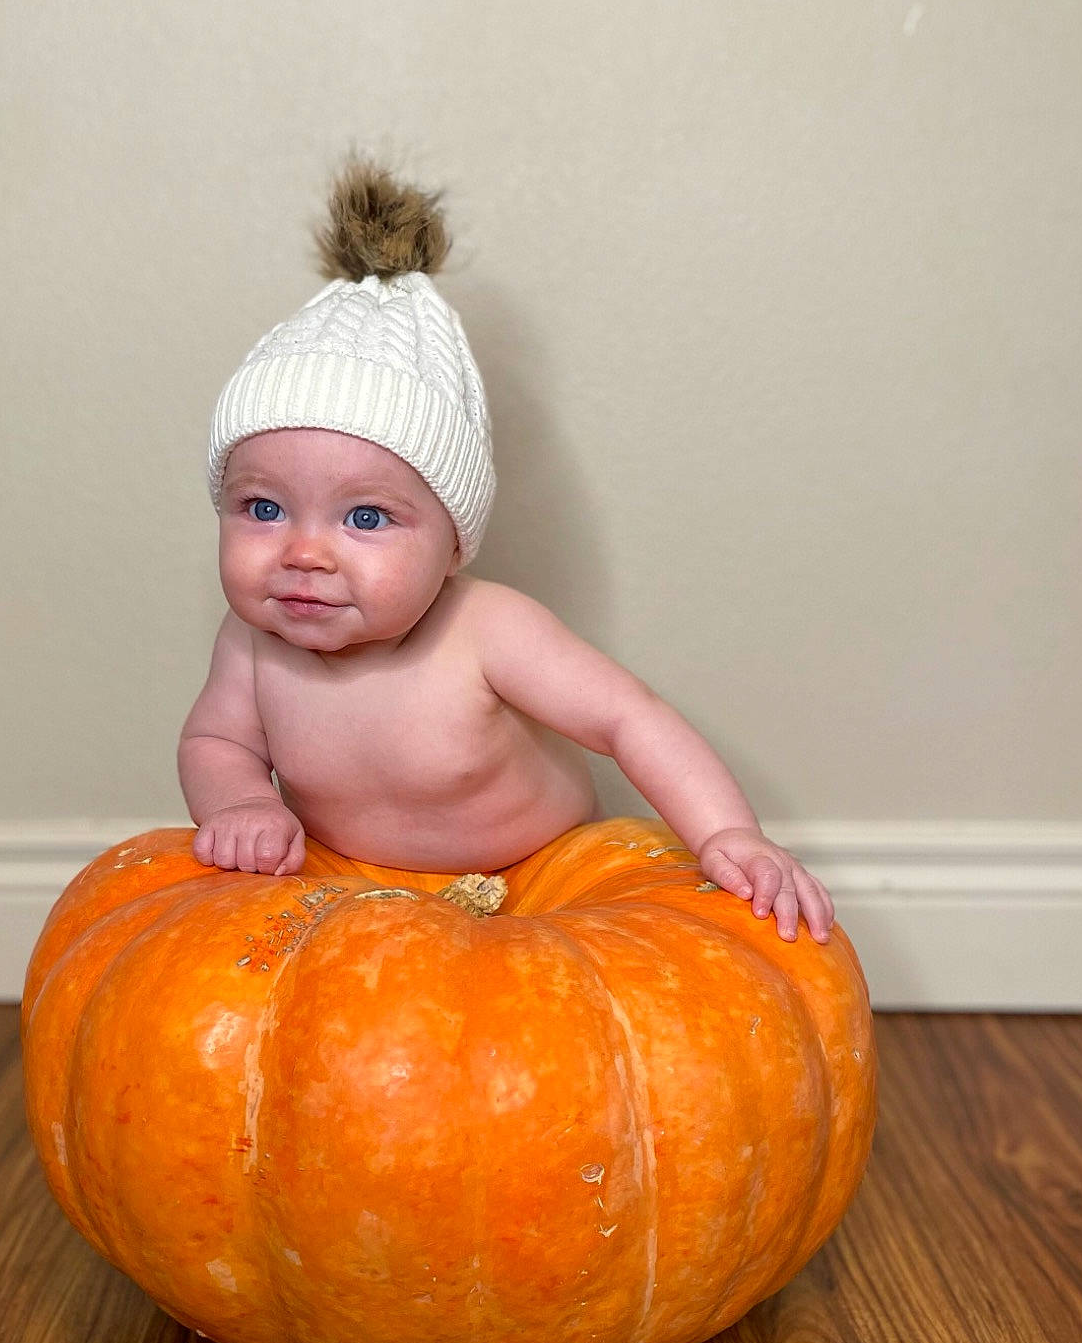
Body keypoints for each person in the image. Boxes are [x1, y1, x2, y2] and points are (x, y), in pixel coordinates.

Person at [178, 158, 835, 943]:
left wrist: (728, 832)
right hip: (346, 886)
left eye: (365, 518)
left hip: (539, 886)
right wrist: (242, 803)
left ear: (453, 542)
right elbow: (215, 741)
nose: (305, 553)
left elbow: (628, 719)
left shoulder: (490, 630)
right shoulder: (252, 643)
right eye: (263, 508)